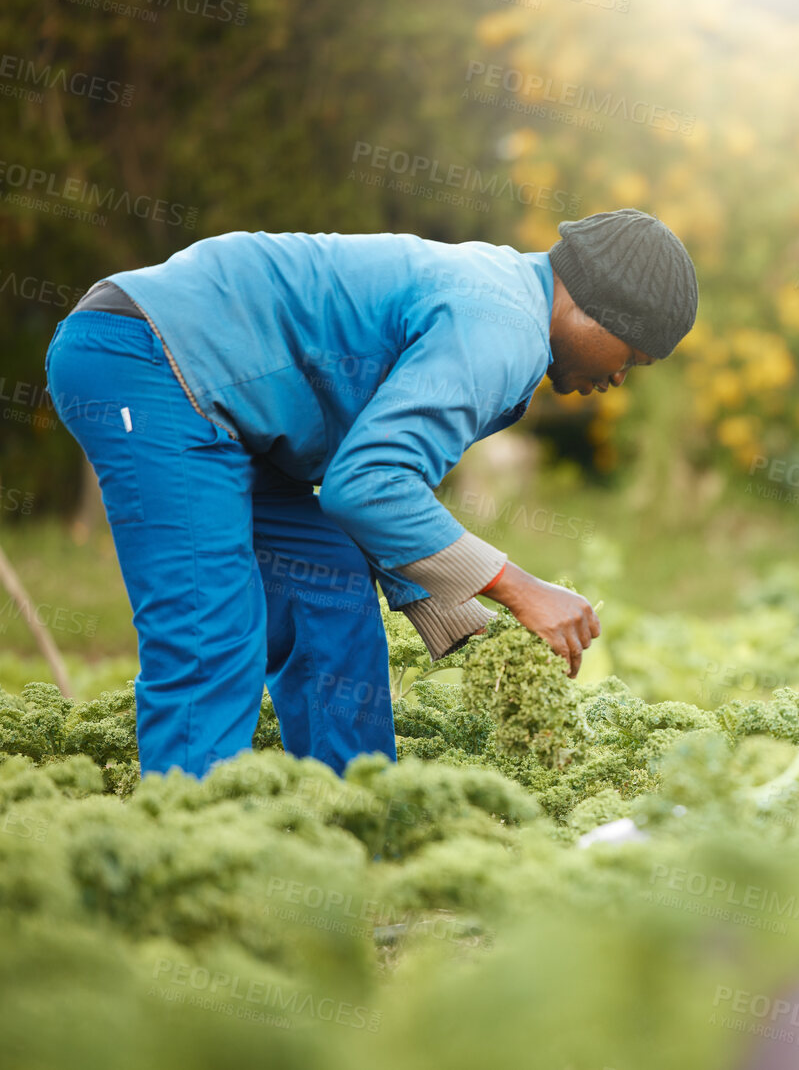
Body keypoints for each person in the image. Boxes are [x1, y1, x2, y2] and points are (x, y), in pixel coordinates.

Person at [45, 210, 697, 777]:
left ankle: (358, 832)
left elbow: (375, 490)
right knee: (210, 630)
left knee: (328, 585)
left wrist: (474, 630)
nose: (619, 377)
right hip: (148, 360)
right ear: (593, 308)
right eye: (632, 356)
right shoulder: (501, 329)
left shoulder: (504, 299)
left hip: (221, 404)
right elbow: (369, 486)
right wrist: (522, 588)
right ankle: (190, 868)